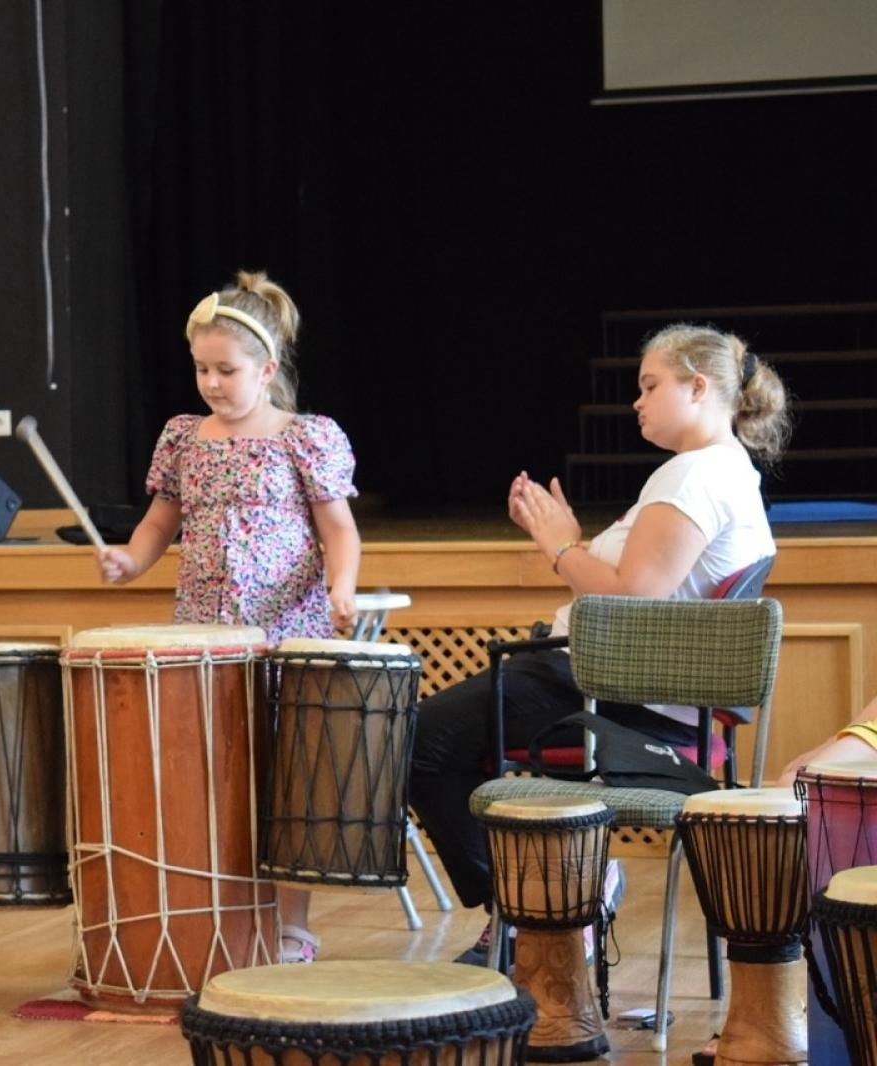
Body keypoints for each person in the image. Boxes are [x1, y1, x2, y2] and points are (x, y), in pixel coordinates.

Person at [408, 323, 789, 965]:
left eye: (650, 385)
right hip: (613, 687)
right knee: (446, 743)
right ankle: (549, 896)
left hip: (607, 696)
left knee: (413, 743)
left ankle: (536, 905)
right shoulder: (723, 473)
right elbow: (635, 591)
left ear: (698, 387)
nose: (636, 402)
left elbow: (626, 603)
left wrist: (560, 546)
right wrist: (569, 544)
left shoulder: (693, 476)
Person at [96, 270, 362, 963]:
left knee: (284, 781)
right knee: (210, 776)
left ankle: (291, 925)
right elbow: (160, 522)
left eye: (227, 370)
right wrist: (131, 561)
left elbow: (339, 531)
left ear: (267, 368)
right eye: (201, 369)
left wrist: (343, 588)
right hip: (204, 636)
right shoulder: (184, 438)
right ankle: (216, 915)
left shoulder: (305, 437)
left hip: (283, 633)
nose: (212, 383)